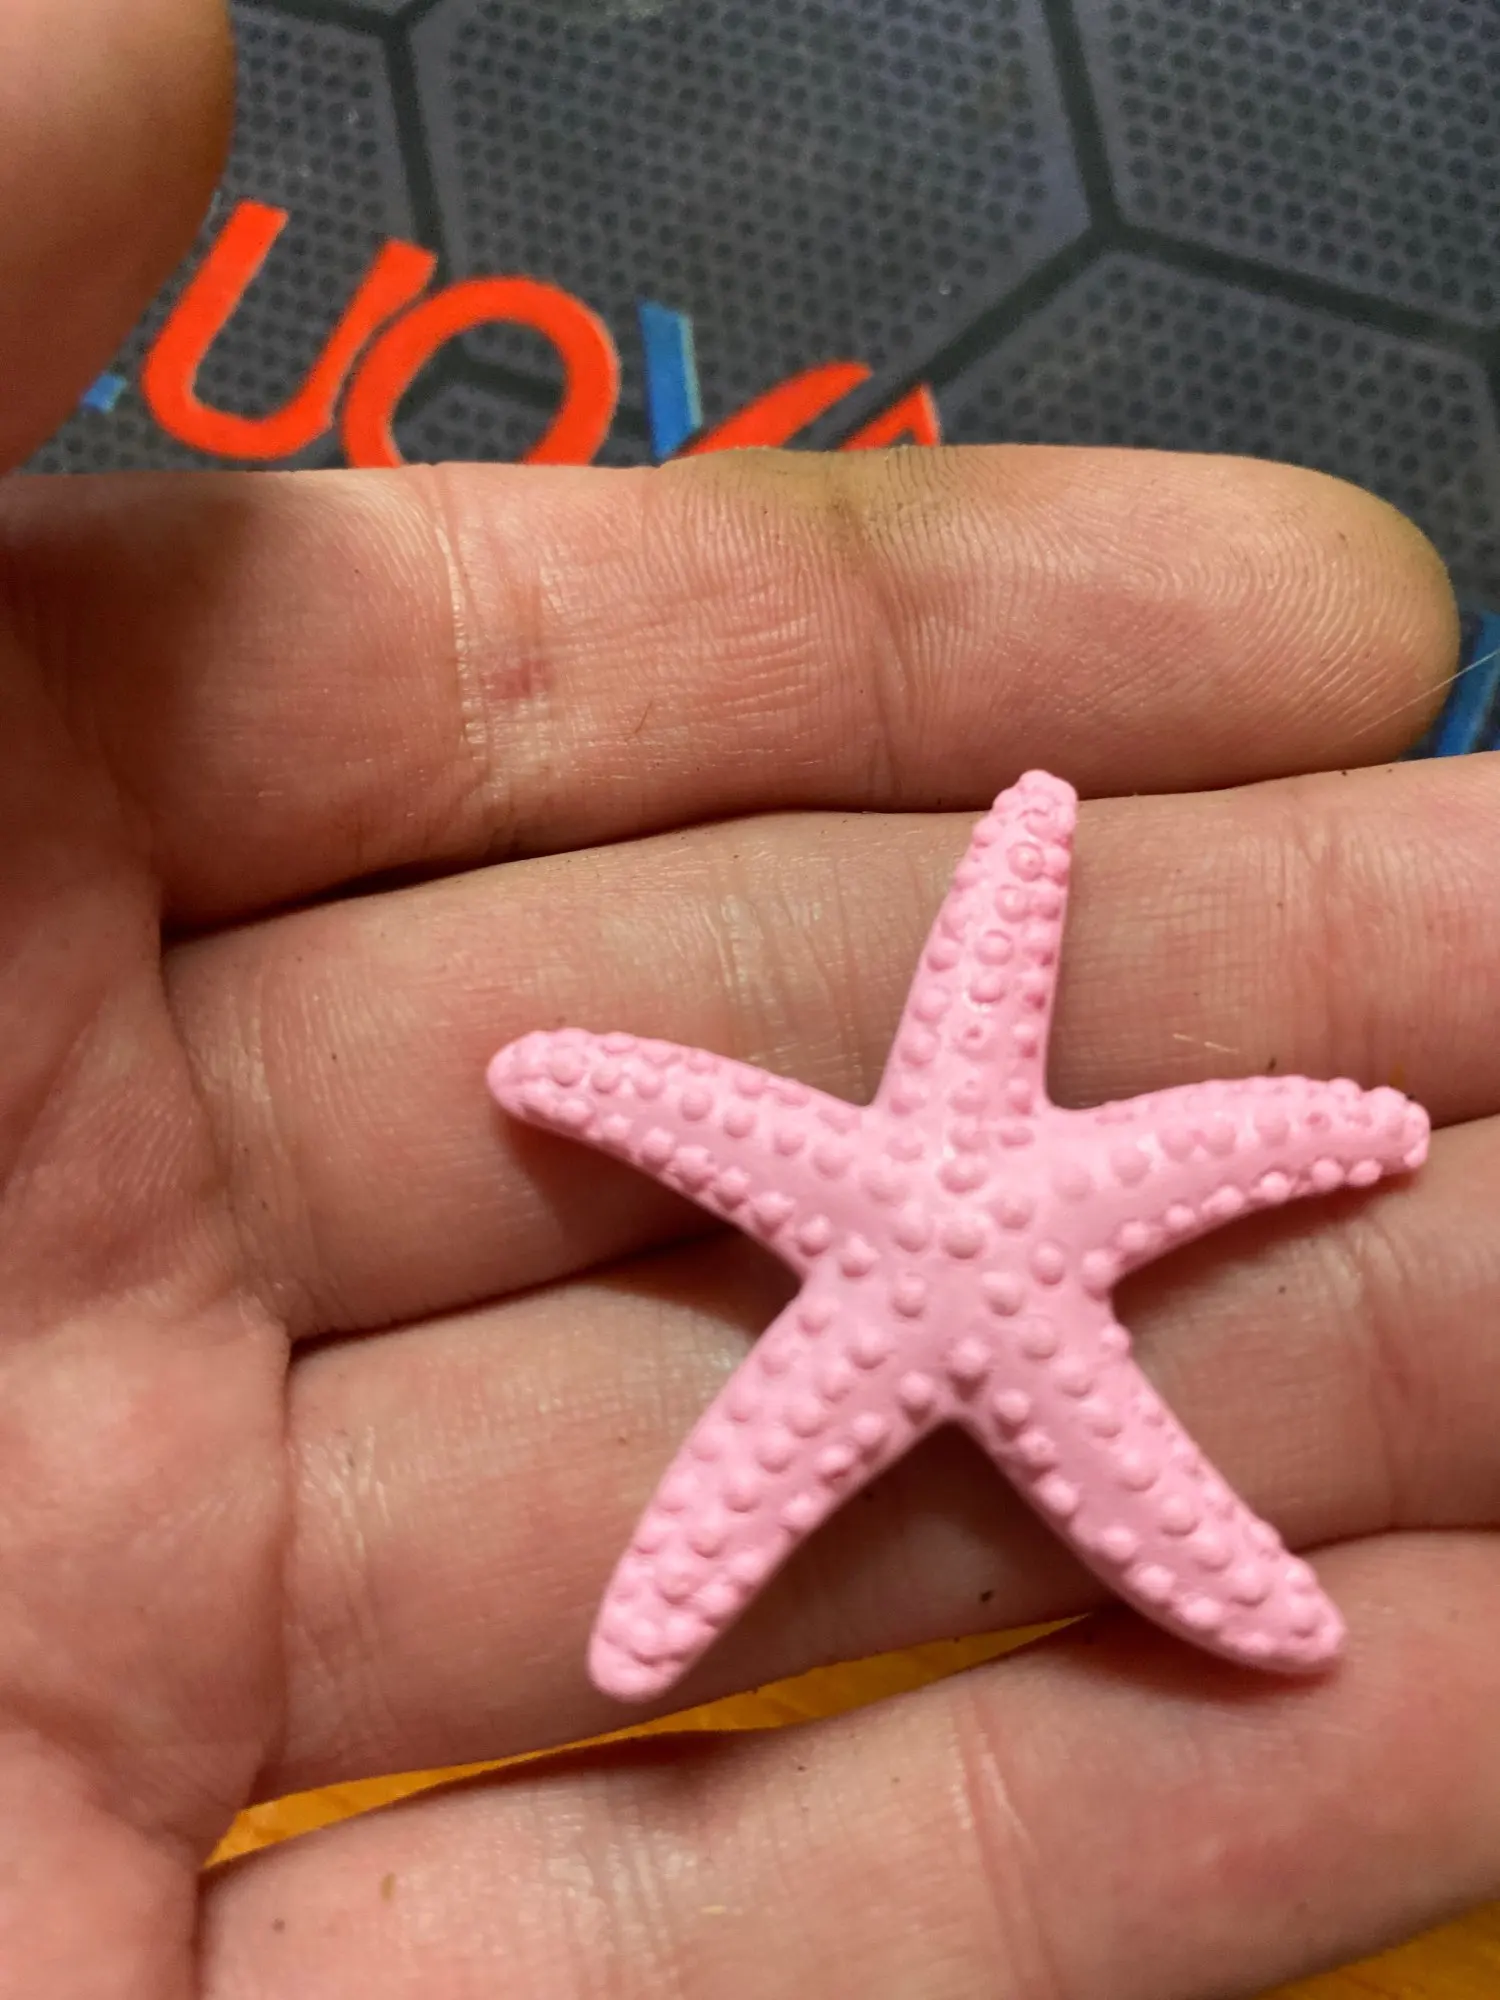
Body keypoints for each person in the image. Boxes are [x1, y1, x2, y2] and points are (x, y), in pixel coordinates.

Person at [1, 2, 1495, 1993]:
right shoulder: (907, 1203)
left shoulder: (922, 1197)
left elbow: (1147, 1137)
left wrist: (1342, 1118)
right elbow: (727, 1122)